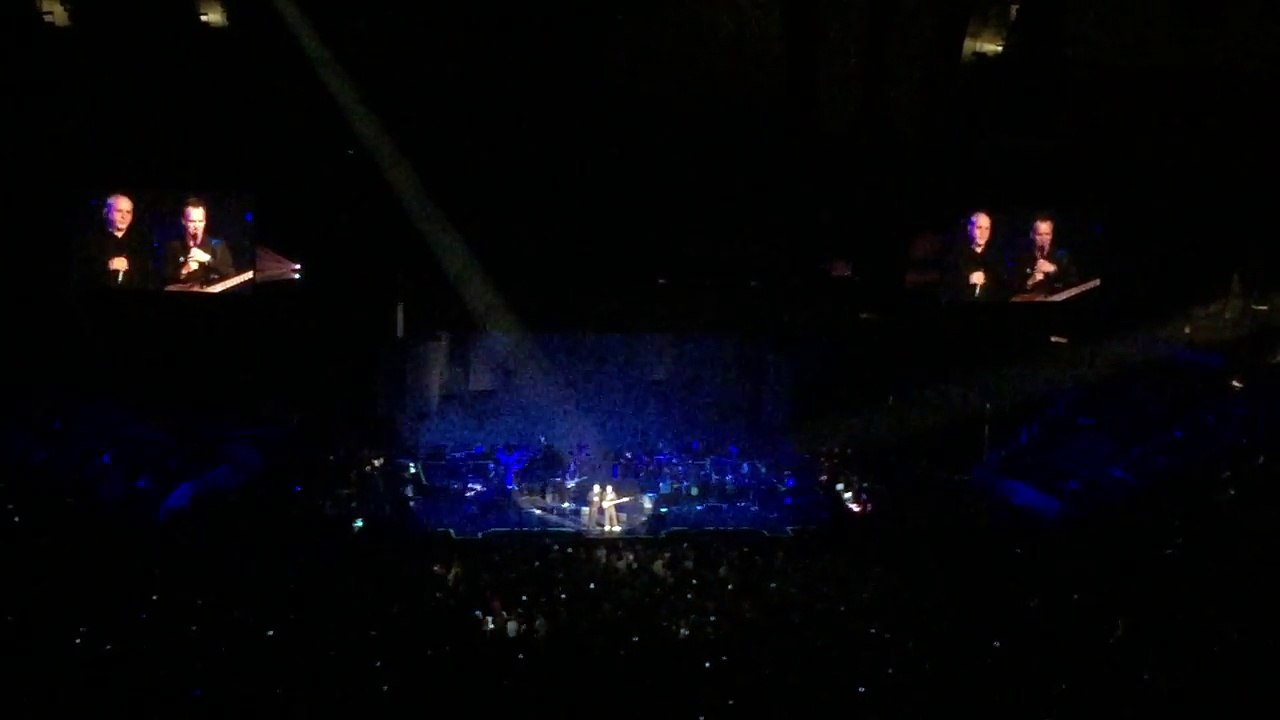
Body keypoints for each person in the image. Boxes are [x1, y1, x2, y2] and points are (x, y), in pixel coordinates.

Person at [74, 193, 154, 291]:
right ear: (106, 213)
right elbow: (80, 272)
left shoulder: (141, 242)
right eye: (119, 211)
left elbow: (149, 275)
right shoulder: (90, 240)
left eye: (128, 212)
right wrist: (107, 265)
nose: (124, 216)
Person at [164, 197, 235, 287]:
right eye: (192, 221)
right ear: (183, 221)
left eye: (200, 221)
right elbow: (165, 280)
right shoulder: (173, 246)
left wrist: (208, 260)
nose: (197, 226)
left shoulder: (218, 245)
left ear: (205, 221)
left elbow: (230, 274)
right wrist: (184, 271)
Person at [943, 211, 1007, 302]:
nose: (983, 233)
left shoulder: (996, 256)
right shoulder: (957, 255)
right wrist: (969, 279)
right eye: (979, 228)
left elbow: (1003, 286)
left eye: (987, 229)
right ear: (969, 229)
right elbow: (947, 286)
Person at [1011, 216, 1077, 293]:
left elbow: (1073, 284)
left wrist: (1054, 270)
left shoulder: (1062, 257)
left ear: (1052, 235)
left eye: (1047, 234)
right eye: (1039, 235)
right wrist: (1029, 282)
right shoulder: (1022, 258)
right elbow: (1012, 288)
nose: (1044, 239)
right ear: (1032, 235)